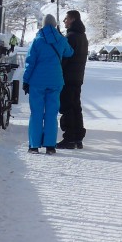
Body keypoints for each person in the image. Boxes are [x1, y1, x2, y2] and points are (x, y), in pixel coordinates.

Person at [19, 13, 72, 154]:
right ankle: (50, 146)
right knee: (51, 114)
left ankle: (34, 146)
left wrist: (26, 80)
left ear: (43, 25)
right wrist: (60, 38)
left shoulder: (38, 40)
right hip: (55, 81)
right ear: (55, 25)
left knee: (36, 113)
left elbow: (30, 62)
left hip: (37, 82)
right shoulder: (60, 39)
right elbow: (69, 53)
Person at [58, 9, 89, 149]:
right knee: (76, 107)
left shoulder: (70, 37)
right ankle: (77, 138)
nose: (64, 21)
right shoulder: (82, 36)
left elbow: (65, 57)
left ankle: (69, 138)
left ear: (73, 19)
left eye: (66, 18)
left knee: (67, 107)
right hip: (78, 77)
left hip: (68, 77)